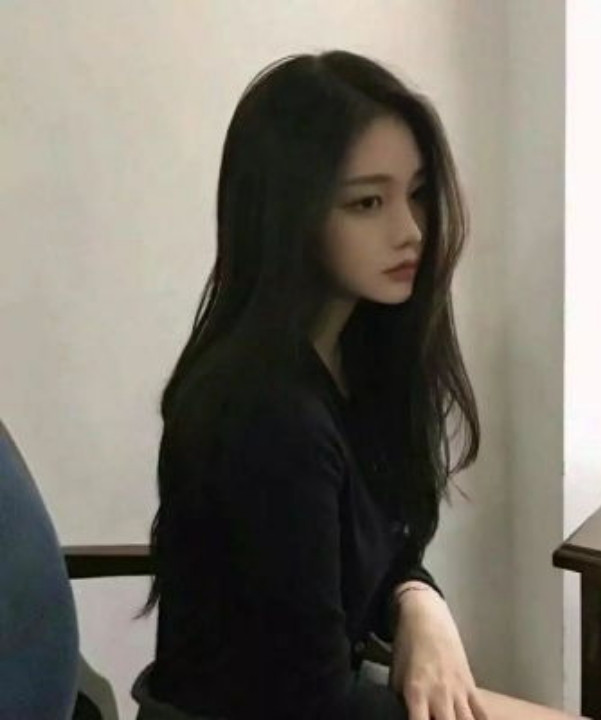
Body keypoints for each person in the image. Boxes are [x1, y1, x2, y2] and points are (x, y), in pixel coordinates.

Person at [130, 49, 575, 720]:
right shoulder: (267, 415)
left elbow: (381, 548)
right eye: (368, 202)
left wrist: (417, 598)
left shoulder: (357, 356)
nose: (411, 230)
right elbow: (310, 704)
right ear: (289, 214)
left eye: (416, 192)